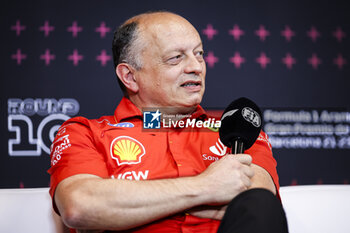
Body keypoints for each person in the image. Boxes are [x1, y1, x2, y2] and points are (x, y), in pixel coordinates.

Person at [48, 11, 288, 233]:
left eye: (199, 54)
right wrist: (206, 186)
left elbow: (256, 208)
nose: (196, 67)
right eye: (175, 58)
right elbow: (81, 206)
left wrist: (130, 207)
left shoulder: (238, 129)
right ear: (130, 76)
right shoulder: (85, 133)